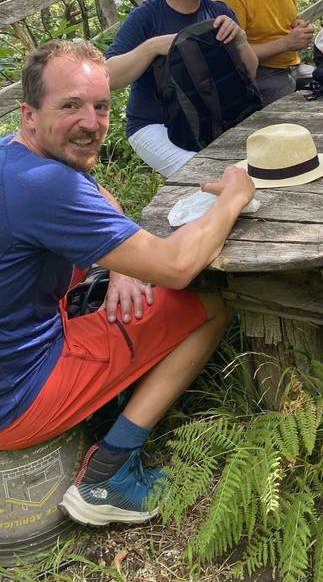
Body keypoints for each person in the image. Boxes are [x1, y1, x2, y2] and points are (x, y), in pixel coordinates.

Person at [0, 39, 255, 526]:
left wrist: (120, 264)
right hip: (17, 397)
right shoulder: (46, 186)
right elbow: (177, 264)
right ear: (29, 114)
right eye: (70, 105)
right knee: (208, 305)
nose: (92, 123)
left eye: (101, 107)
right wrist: (233, 197)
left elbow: (96, 191)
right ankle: (109, 473)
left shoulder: (18, 159)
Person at [106, 0, 257, 178]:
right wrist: (152, 47)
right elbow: (107, 76)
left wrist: (240, 40)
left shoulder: (219, 13)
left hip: (211, 121)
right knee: (204, 174)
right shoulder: (146, 17)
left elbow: (250, 73)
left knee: (260, 165)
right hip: (153, 124)